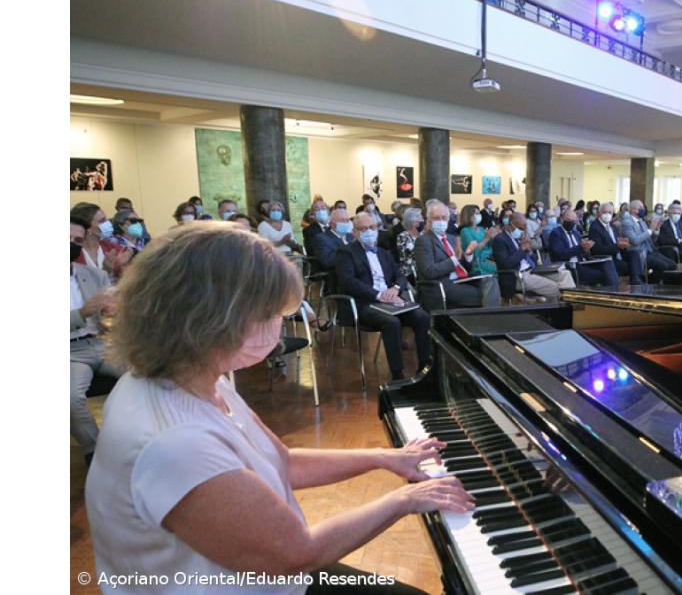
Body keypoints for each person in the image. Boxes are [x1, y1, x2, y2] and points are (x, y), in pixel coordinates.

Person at [86, 223, 468, 593]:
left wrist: (384, 458)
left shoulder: (192, 375)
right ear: (214, 320)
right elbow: (296, 554)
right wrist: (405, 499)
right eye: (270, 314)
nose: (281, 324)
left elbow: (280, 461)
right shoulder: (175, 440)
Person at [335, 213, 433, 382]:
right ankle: (398, 375)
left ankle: (425, 368)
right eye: (363, 228)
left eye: (372, 227)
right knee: (391, 322)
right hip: (365, 303)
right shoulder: (345, 252)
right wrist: (379, 295)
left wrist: (395, 289)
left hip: (390, 300)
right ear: (355, 232)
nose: (369, 231)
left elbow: (400, 276)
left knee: (422, 317)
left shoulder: (383, 253)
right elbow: (348, 282)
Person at [70, 216, 122, 466]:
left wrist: (113, 312)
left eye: (76, 240)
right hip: (69, 352)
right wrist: (81, 313)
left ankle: (134, 439)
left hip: (101, 343)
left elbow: (108, 316)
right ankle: (95, 450)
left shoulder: (94, 275)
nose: (71, 244)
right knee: (70, 398)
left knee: (148, 374)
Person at [414, 202, 500, 311]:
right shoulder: (423, 241)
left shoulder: (452, 238)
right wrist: (455, 260)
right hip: (442, 284)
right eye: (436, 218)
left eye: (444, 217)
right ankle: (490, 323)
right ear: (429, 220)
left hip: (463, 280)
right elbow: (430, 271)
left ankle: (488, 322)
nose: (441, 221)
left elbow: (467, 267)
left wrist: (468, 256)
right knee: (486, 295)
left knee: (491, 281)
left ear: (448, 219)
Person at [492, 213, 575, 303]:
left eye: (524, 229)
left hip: (533, 270)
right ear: (511, 225)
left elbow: (534, 260)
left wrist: (529, 251)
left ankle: (572, 305)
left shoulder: (520, 238)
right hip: (518, 275)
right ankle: (559, 311)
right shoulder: (500, 240)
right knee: (554, 286)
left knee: (565, 274)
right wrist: (522, 249)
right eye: (521, 229)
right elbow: (505, 264)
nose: (523, 231)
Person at [548, 209, 619, 287]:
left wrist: (586, 249)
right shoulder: (556, 233)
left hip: (583, 262)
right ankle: (612, 293)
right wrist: (581, 247)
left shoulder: (576, 233)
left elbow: (584, 252)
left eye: (573, 220)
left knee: (608, 263)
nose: (571, 222)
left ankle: (615, 293)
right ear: (562, 219)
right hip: (570, 265)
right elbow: (560, 254)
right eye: (568, 219)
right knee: (604, 275)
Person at [587, 202, 644, 285]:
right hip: (608, 258)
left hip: (618, 253)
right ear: (599, 213)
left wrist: (623, 243)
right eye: (604, 212)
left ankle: (636, 279)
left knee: (634, 253)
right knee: (630, 267)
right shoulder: (595, 227)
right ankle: (635, 280)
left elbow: (617, 241)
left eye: (610, 213)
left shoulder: (611, 226)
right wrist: (617, 246)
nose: (607, 215)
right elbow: (597, 250)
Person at [620, 200, 676, 282]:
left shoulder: (642, 221)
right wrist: (650, 230)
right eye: (641, 208)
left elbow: (650, 238)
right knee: (664, 266)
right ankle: (650, 283)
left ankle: (650, 282)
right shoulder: (627, 223)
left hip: (650, 250)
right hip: (639, 253)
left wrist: (656, 230)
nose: (644, 209)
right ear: (633, 210)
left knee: (672, 265)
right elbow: (634, 241)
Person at [71, 202, 132, 275]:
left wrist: (120, 266)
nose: (108, 223)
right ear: (87, 227)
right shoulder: (73, 252)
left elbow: (129, 280)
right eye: (102, 221)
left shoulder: (114, 248)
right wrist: (107, 269)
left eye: (106, 219)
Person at [458, 205, 499, 277]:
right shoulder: (465, 231)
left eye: (479, 213)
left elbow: (490, 246)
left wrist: (494, 237)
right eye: (476, 213)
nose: (479, 215)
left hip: (490, 259)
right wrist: (486, 238)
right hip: (478, 263)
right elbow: (473, 252)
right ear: (469, 215)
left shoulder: (481, 229)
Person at [394, 207, 424, 281]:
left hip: (424, 268)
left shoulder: (422, 234)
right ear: (412, 221)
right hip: (410, 271)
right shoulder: (403, 236)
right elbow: (407, 257)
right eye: (420, 220)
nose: (423, 222)